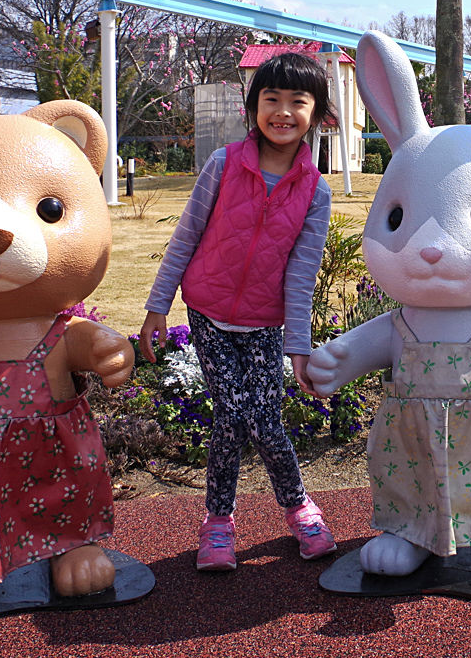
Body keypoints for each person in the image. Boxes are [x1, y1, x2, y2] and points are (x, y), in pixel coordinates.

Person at [138, 52, 338, 571]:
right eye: (271, 99)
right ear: (254, 107)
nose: (283, 111)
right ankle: (219, 522)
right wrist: (158, 307)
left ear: (315, 114)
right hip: (209, 313)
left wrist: (299, 345)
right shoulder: (223, 164)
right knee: (232, 414)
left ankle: (298, 508)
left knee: (266, 424)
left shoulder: (315, 191)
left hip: (265, 324)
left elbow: (301, 274)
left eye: (298, 101)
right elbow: (185, 238)